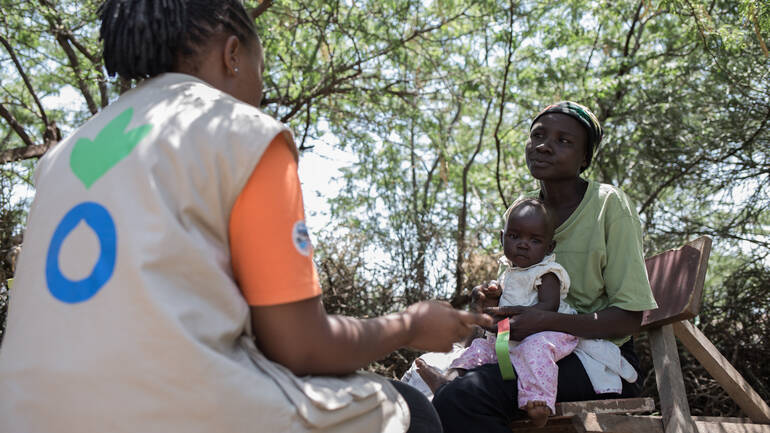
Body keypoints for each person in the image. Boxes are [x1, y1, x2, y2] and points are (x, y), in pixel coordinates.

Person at [0, 2, 492, 432]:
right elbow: (300, 347)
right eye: (260, 67)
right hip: (171, 412)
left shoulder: (61, 157)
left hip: (24, 413)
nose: (259, 88)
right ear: (232, 53)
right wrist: (409, 325)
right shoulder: (241, 130)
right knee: (406, 410)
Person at [429, 101, 659, 433]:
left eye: (564, 141)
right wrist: (493, 305)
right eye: (538, 135)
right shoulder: (525, 211)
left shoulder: (609, 205)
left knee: (465, 397)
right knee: (445, 387)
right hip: (525, 351)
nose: (544, 146)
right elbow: (517, 297)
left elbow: (629, 318)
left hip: (599, 360)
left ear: (584, 159)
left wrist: (548, 320)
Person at [416, 197, 578, 427]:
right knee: (480, 349)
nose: (523, 244)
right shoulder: (509, 273)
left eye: (534, 240)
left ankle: (539, 401)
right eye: (515, 237)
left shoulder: (547, 272)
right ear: (502, 238)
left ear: (549, 247)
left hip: (547, 333)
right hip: (512, 334)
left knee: (535, 351)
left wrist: (516, 320)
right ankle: (449, 382)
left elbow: (548, 307)